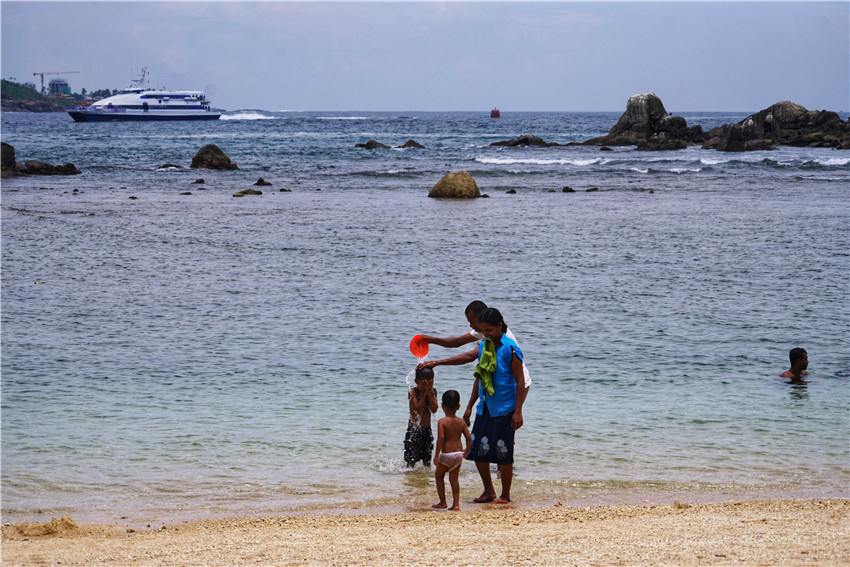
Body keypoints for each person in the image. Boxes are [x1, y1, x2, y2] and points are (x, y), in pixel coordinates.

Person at [440, 307, 524, 504]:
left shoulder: (510, 348)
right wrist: (469, 406)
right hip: (485, 407)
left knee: (503, 454)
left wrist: (518, 411)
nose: (486, 334)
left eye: (489, 330)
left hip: (505, 408)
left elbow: (520, 381)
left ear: (499, 326)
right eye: (483, 331)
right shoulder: (485, 346)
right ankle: (488, 491)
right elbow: (479, 376)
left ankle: (505, 495)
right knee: (478, 450)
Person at [419, 300, 532, 411]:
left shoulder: (498, 336)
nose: (471, 326)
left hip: (515, 384)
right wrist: (432, 340)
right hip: (498, 381)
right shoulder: (484, 331)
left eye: (472, 322)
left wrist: (437, 363)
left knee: (507, 419)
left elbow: (471, 356)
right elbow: (457, 341)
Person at [432, 389, 471, 510]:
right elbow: (469, 438)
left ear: (442, 406)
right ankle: (456, 504)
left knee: (439, 476)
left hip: (446, 455)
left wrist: (437, 455)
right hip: (459, 454)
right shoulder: (461, 422)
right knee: (454, 479)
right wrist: (467, 451)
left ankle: (443, 502)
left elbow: (441, 438)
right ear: (459, 406)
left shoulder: (442, 421)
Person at [404, 367, 438, 468]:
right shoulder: (412, 392)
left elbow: (434, 409)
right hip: (414, 430)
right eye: (423, 383)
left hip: (426, 429)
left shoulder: (433, 392)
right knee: (411, 461)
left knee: (427, 461)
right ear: (416, 381)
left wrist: (429, 393)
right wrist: (423, 394)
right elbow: (417, 410)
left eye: (430, 382)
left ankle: (425, 481)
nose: (427, 385)